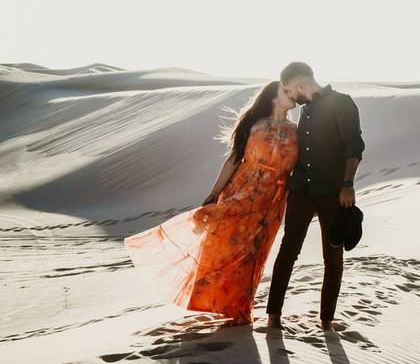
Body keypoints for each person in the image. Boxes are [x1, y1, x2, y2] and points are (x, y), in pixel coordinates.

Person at [124, 81, 299, 325]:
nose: (292, 95)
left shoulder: (296, 131)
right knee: (228, 246)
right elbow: (233, 160)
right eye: (286, 91)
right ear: (272, 97)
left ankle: (240, 308)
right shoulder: (255, 125)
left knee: (255, 253)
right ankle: (223, 303)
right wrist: (215, 193)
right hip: (242, 190)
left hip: (273, 201)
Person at [266, 61, 365, 331]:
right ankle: (273, 315)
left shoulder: (342, 103)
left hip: (332, 192)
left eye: (289, 89)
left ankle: (326, 321)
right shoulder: (305, 110)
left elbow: (354, 145)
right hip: (301, 190)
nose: (290, 95)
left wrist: (347, 184)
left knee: (332, 256)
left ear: (300, 85)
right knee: (288, 250)